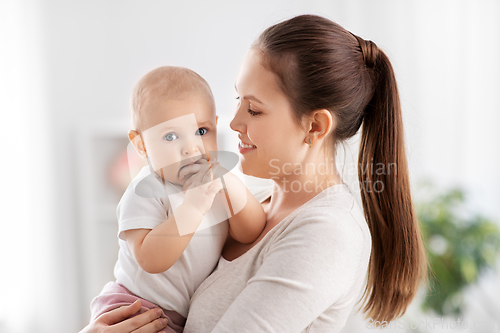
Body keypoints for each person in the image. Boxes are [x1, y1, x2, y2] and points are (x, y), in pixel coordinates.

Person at [81, 14, 427, 333]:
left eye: (254, 110)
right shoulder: (258, 199)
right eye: (237, 100)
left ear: (315, 126)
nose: (233, 123)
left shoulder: (326, 234)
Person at [86, 66, 266, 333]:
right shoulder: (145, 190)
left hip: (177, 318)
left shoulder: (215, 183)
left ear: (216, 126)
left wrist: (229, 185)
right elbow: (151, 259)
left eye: (201, 132)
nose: (191, 147)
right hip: (132, 309)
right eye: (170, 136)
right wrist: (192, 207)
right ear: (141, 145)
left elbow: (250, 231)